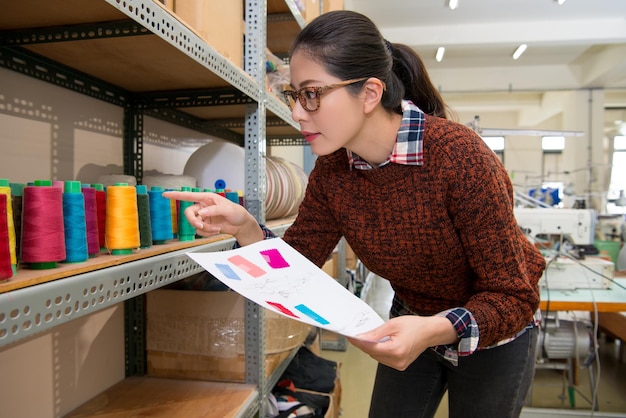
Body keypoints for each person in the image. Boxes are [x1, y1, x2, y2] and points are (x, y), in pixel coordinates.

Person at [164, 10, 546, 418]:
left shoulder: (459, 158)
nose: (297, 112)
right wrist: (246, 229)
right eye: (295, 95)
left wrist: (435, 328)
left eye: (312, 94)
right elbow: (297, 262)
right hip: (410, 319)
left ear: (369, 93)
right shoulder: (334, 170)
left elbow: (513, 296)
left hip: (492, 334)